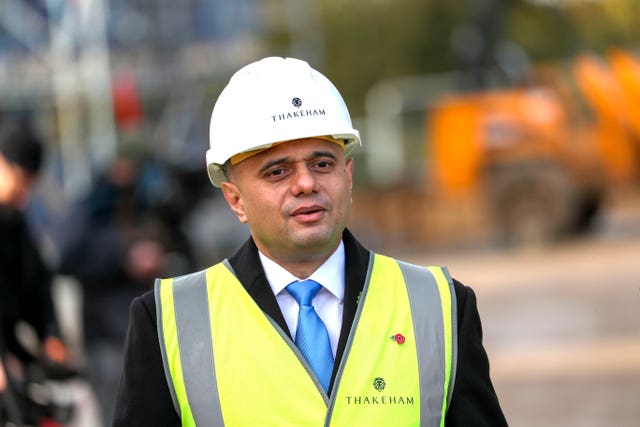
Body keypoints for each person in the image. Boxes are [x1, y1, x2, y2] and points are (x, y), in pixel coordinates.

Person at [113, 57, 508, 426]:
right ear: (235, 199)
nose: (306, 184)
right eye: (277, 172)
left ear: (348, 175)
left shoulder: (439, 306)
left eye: (322, 164)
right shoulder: (168, 323)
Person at [0, 117, 70, 423]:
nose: (24, 193)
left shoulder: (13, 223)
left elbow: (37, 283)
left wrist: (49, 335)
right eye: (21, 180)